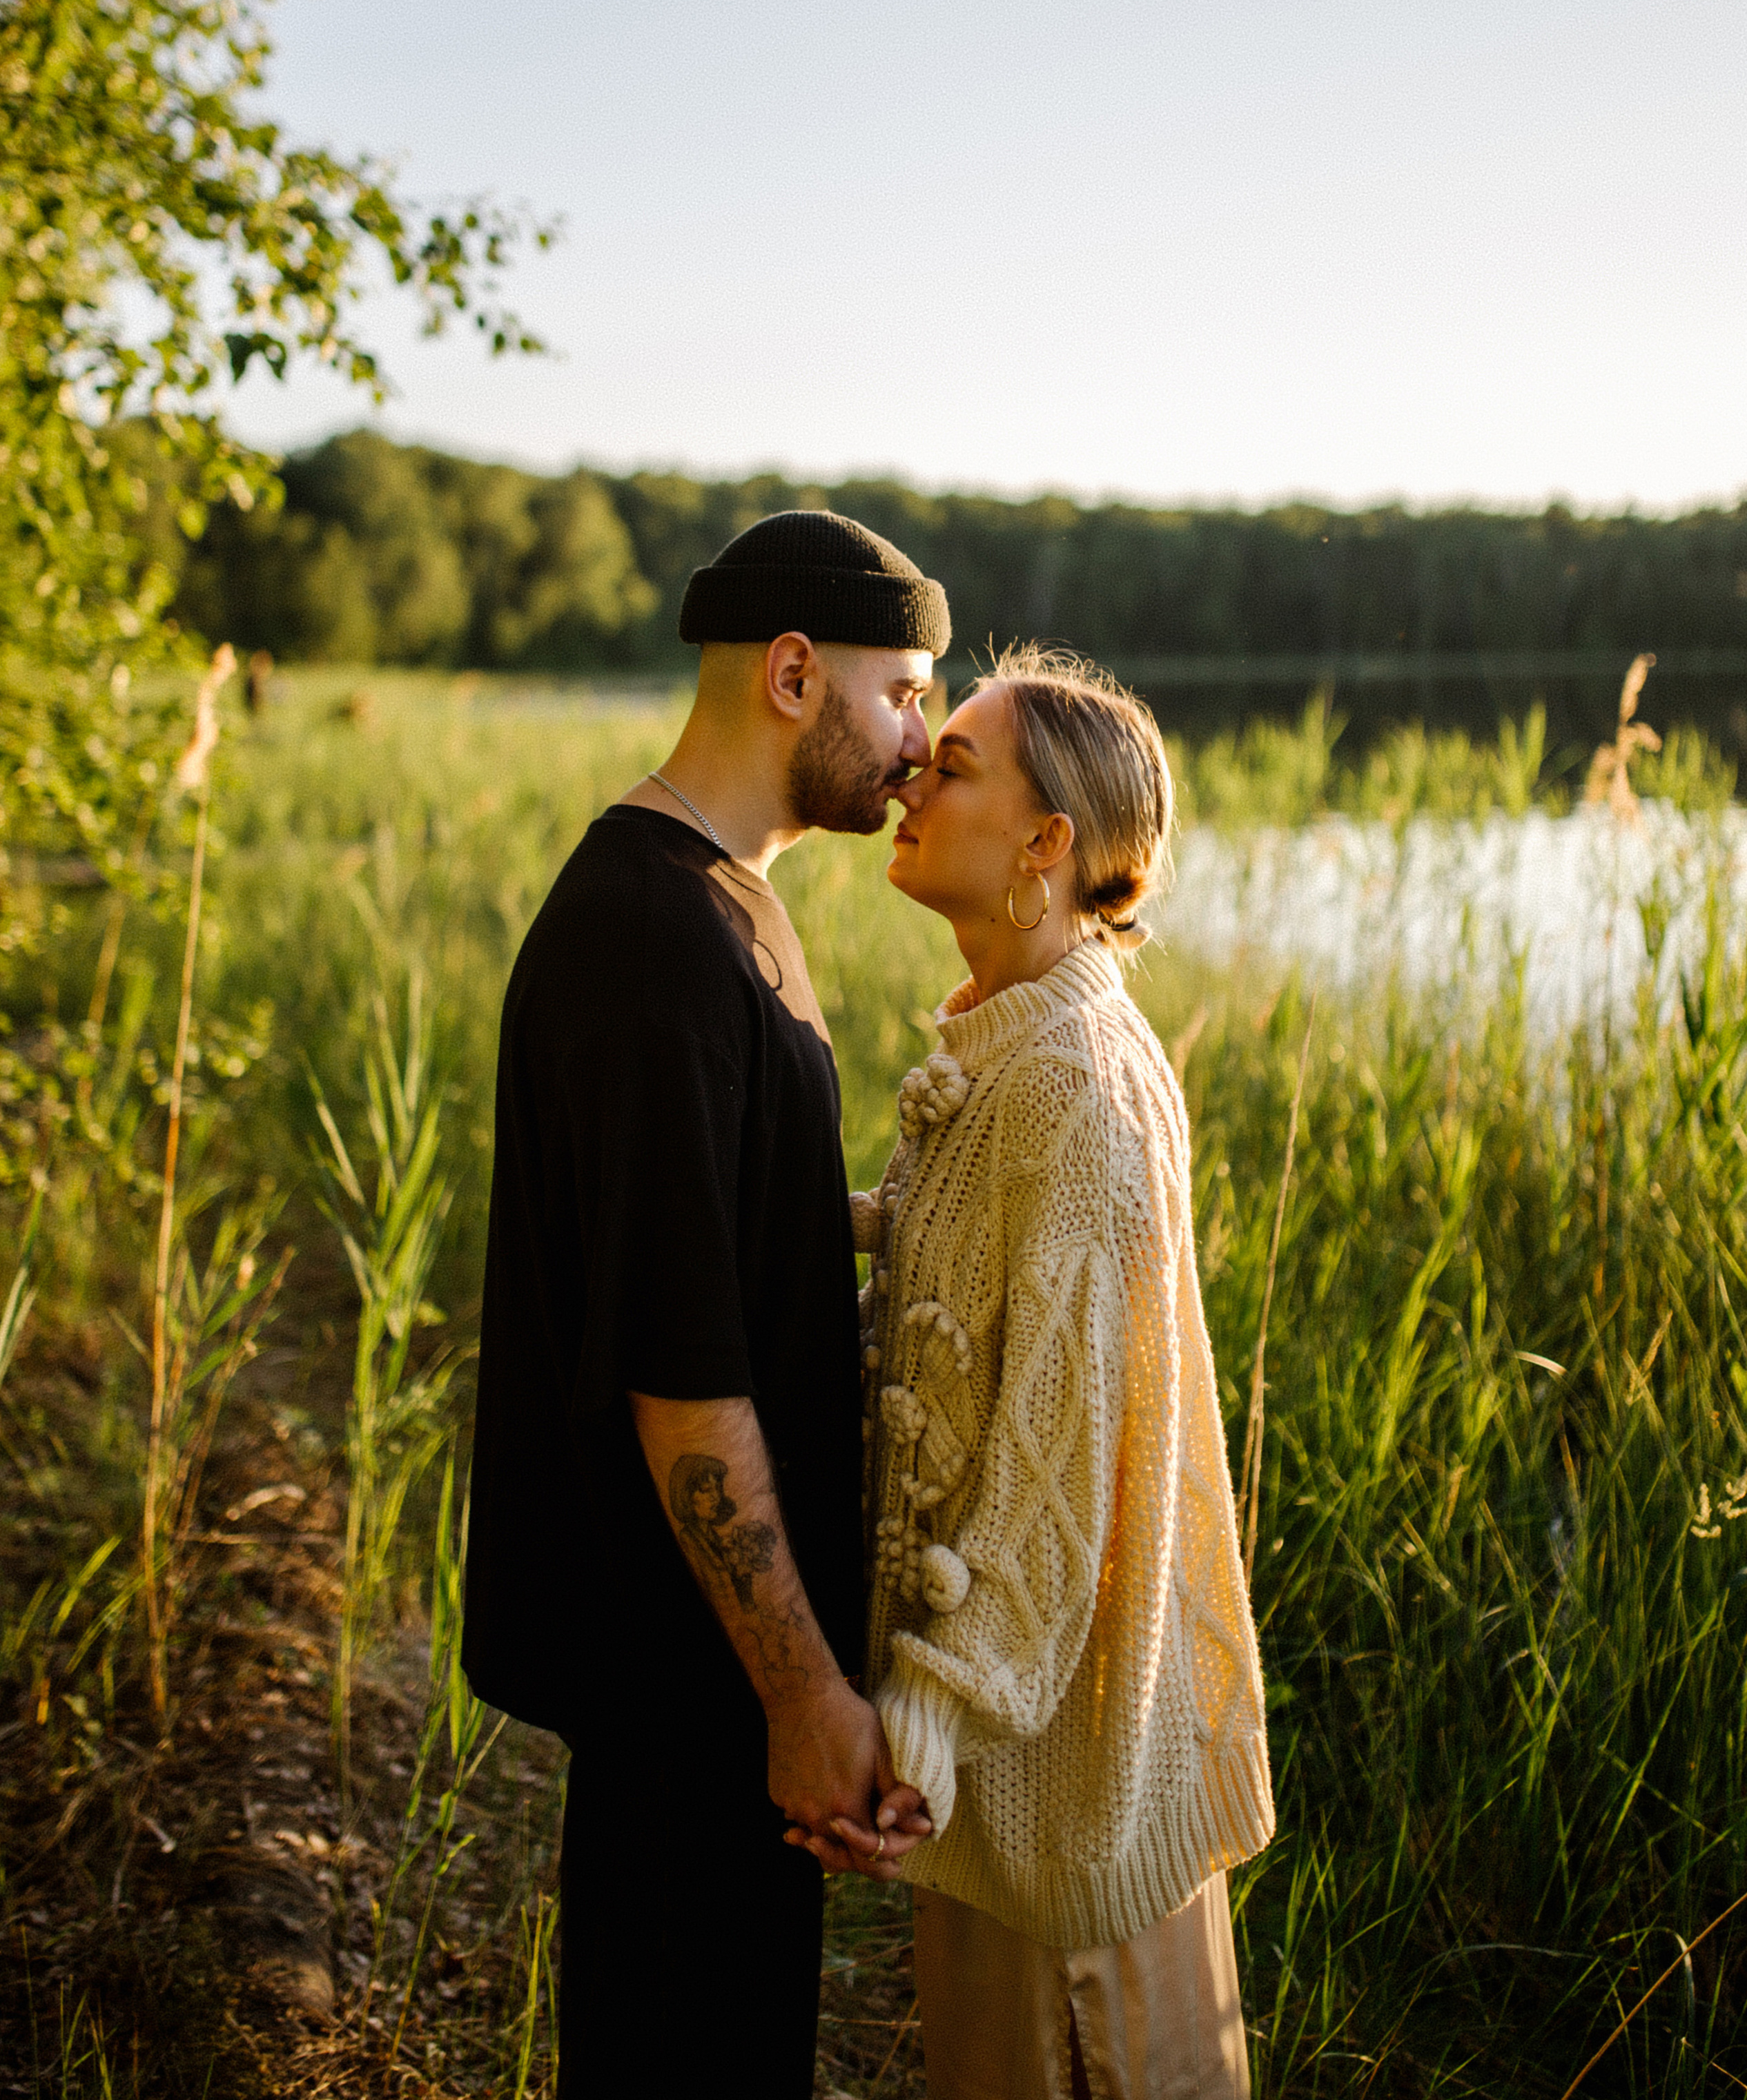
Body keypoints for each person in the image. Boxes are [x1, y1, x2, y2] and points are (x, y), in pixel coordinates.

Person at [462, 509, 947, 2097]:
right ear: (794, 675)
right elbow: (680, 1368)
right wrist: (801, 1692)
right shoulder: (653, 936)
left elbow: (724, 1232)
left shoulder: (727, 897)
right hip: (690, 1676)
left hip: (710, 1672)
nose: (921, 745)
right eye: (902, 695)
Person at [795, 646, 1274, 2100]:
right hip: (1010, 1744)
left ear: (1046, 845)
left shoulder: (1076, 1084)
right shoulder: (1009, 1049)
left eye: (951, 765)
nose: (907, 784)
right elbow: (968, 1288)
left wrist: (928, 1718)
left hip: (1064, 1757)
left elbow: (1063, 1455)